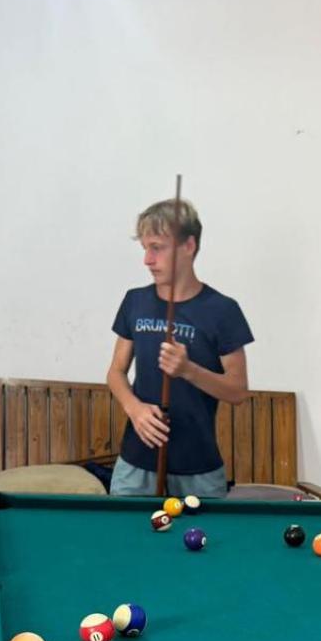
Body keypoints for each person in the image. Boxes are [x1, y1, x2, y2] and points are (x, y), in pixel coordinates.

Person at [105, 198, 253, 497]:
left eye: (157, 247)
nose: (147, 260)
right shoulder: (135, 301)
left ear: (189, 246)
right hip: (136, 460)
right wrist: (134, 408)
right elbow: (116, 372)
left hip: (198, 467)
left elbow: (238, 391)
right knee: (125, 529)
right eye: (145, 248)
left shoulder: (222, 310)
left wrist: (189, 370)